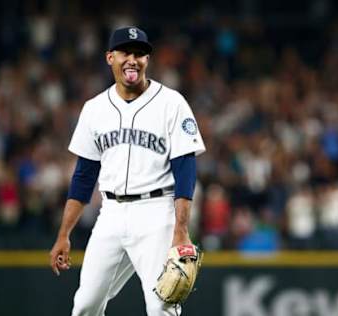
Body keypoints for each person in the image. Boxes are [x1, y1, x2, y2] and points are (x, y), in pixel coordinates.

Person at [49, 26, 206, 316]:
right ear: (110, 57)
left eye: (140, 54)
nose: (132, 60)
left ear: (148, 60)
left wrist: (181, 229)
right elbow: (83, 177)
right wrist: (64, 234)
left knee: (161, 306)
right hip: (111, 212)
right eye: (125, 53)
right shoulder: (94, 109)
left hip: (157, 211)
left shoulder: (172, 103)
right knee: (85, 305)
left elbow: (186, 168)